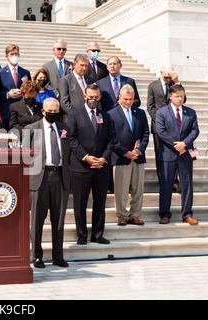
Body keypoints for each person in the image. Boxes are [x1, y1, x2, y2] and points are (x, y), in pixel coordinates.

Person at [22, 98, 70, 268]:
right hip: (39, 178)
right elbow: (24, 157)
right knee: (37, 219)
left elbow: (68, 153)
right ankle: (36, 255)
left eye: (55, 111)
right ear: (43, 111)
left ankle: (58, 255)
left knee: (58, 220)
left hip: (59, 176)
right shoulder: (31, 129)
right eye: (50, 111)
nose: (53, 114)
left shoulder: (64, 129)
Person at [67, 84, 113, 245]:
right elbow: (71, 140)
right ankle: (82, 235)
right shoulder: (74, 114)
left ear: (100, 97)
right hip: (81, 166)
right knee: (80, 203)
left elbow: (111, 140)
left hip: (101, 166)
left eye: (96, 97)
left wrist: (103, 158)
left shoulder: (106, 116)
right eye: (90, 97)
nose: (93, 100)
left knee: (100, 201)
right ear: (85, 96)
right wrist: (86, 157)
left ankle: (98, 234)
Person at [156, 84, 199, 225]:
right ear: (170, 96)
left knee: (186, 185)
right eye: (177, 96)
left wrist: (184, 144)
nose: (180, 99)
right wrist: (176, 145)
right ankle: (164, 214)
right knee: (166, 184)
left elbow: (195, 131)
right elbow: (161, 132)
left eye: (182, 96)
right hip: (168, 154)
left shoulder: (190, 112)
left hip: (185, 153)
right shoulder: (162, 112)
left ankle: (187, 214)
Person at [108, 85, 149, 226]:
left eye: (131, 99)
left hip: (138, 157)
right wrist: (125, 152)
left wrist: (139, 150)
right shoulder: (111, 114)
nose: (128, 102)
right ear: (119, 98)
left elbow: (145, 133)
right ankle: (122, 215)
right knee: (121, 189)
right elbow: (112, 138)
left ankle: (135, 215)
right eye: (125, 99)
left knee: (138, 189)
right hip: (121, 158)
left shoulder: (140, 113)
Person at [147, 65, 183, 191]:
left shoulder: (174, 85)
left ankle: (174, 181)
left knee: (175, 153)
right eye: (165, 76)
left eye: (169, 77)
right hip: (159, 126)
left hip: (175, 126)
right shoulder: (152, 86)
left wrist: (177, 81)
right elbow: (150, 106)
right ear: (160, 73)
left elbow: (183, 98)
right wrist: (161, 121)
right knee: (160, 154)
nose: (167, 79)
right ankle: (163, 180)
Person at [0, 44, 31, 129]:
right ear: (6, 56)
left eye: (16, 54)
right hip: (5, 111)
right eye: (12, 54)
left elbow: (30, 90)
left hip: (21, 111)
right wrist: (8, 94)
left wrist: (23, 93)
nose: (14, 56)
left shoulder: (25, 72)